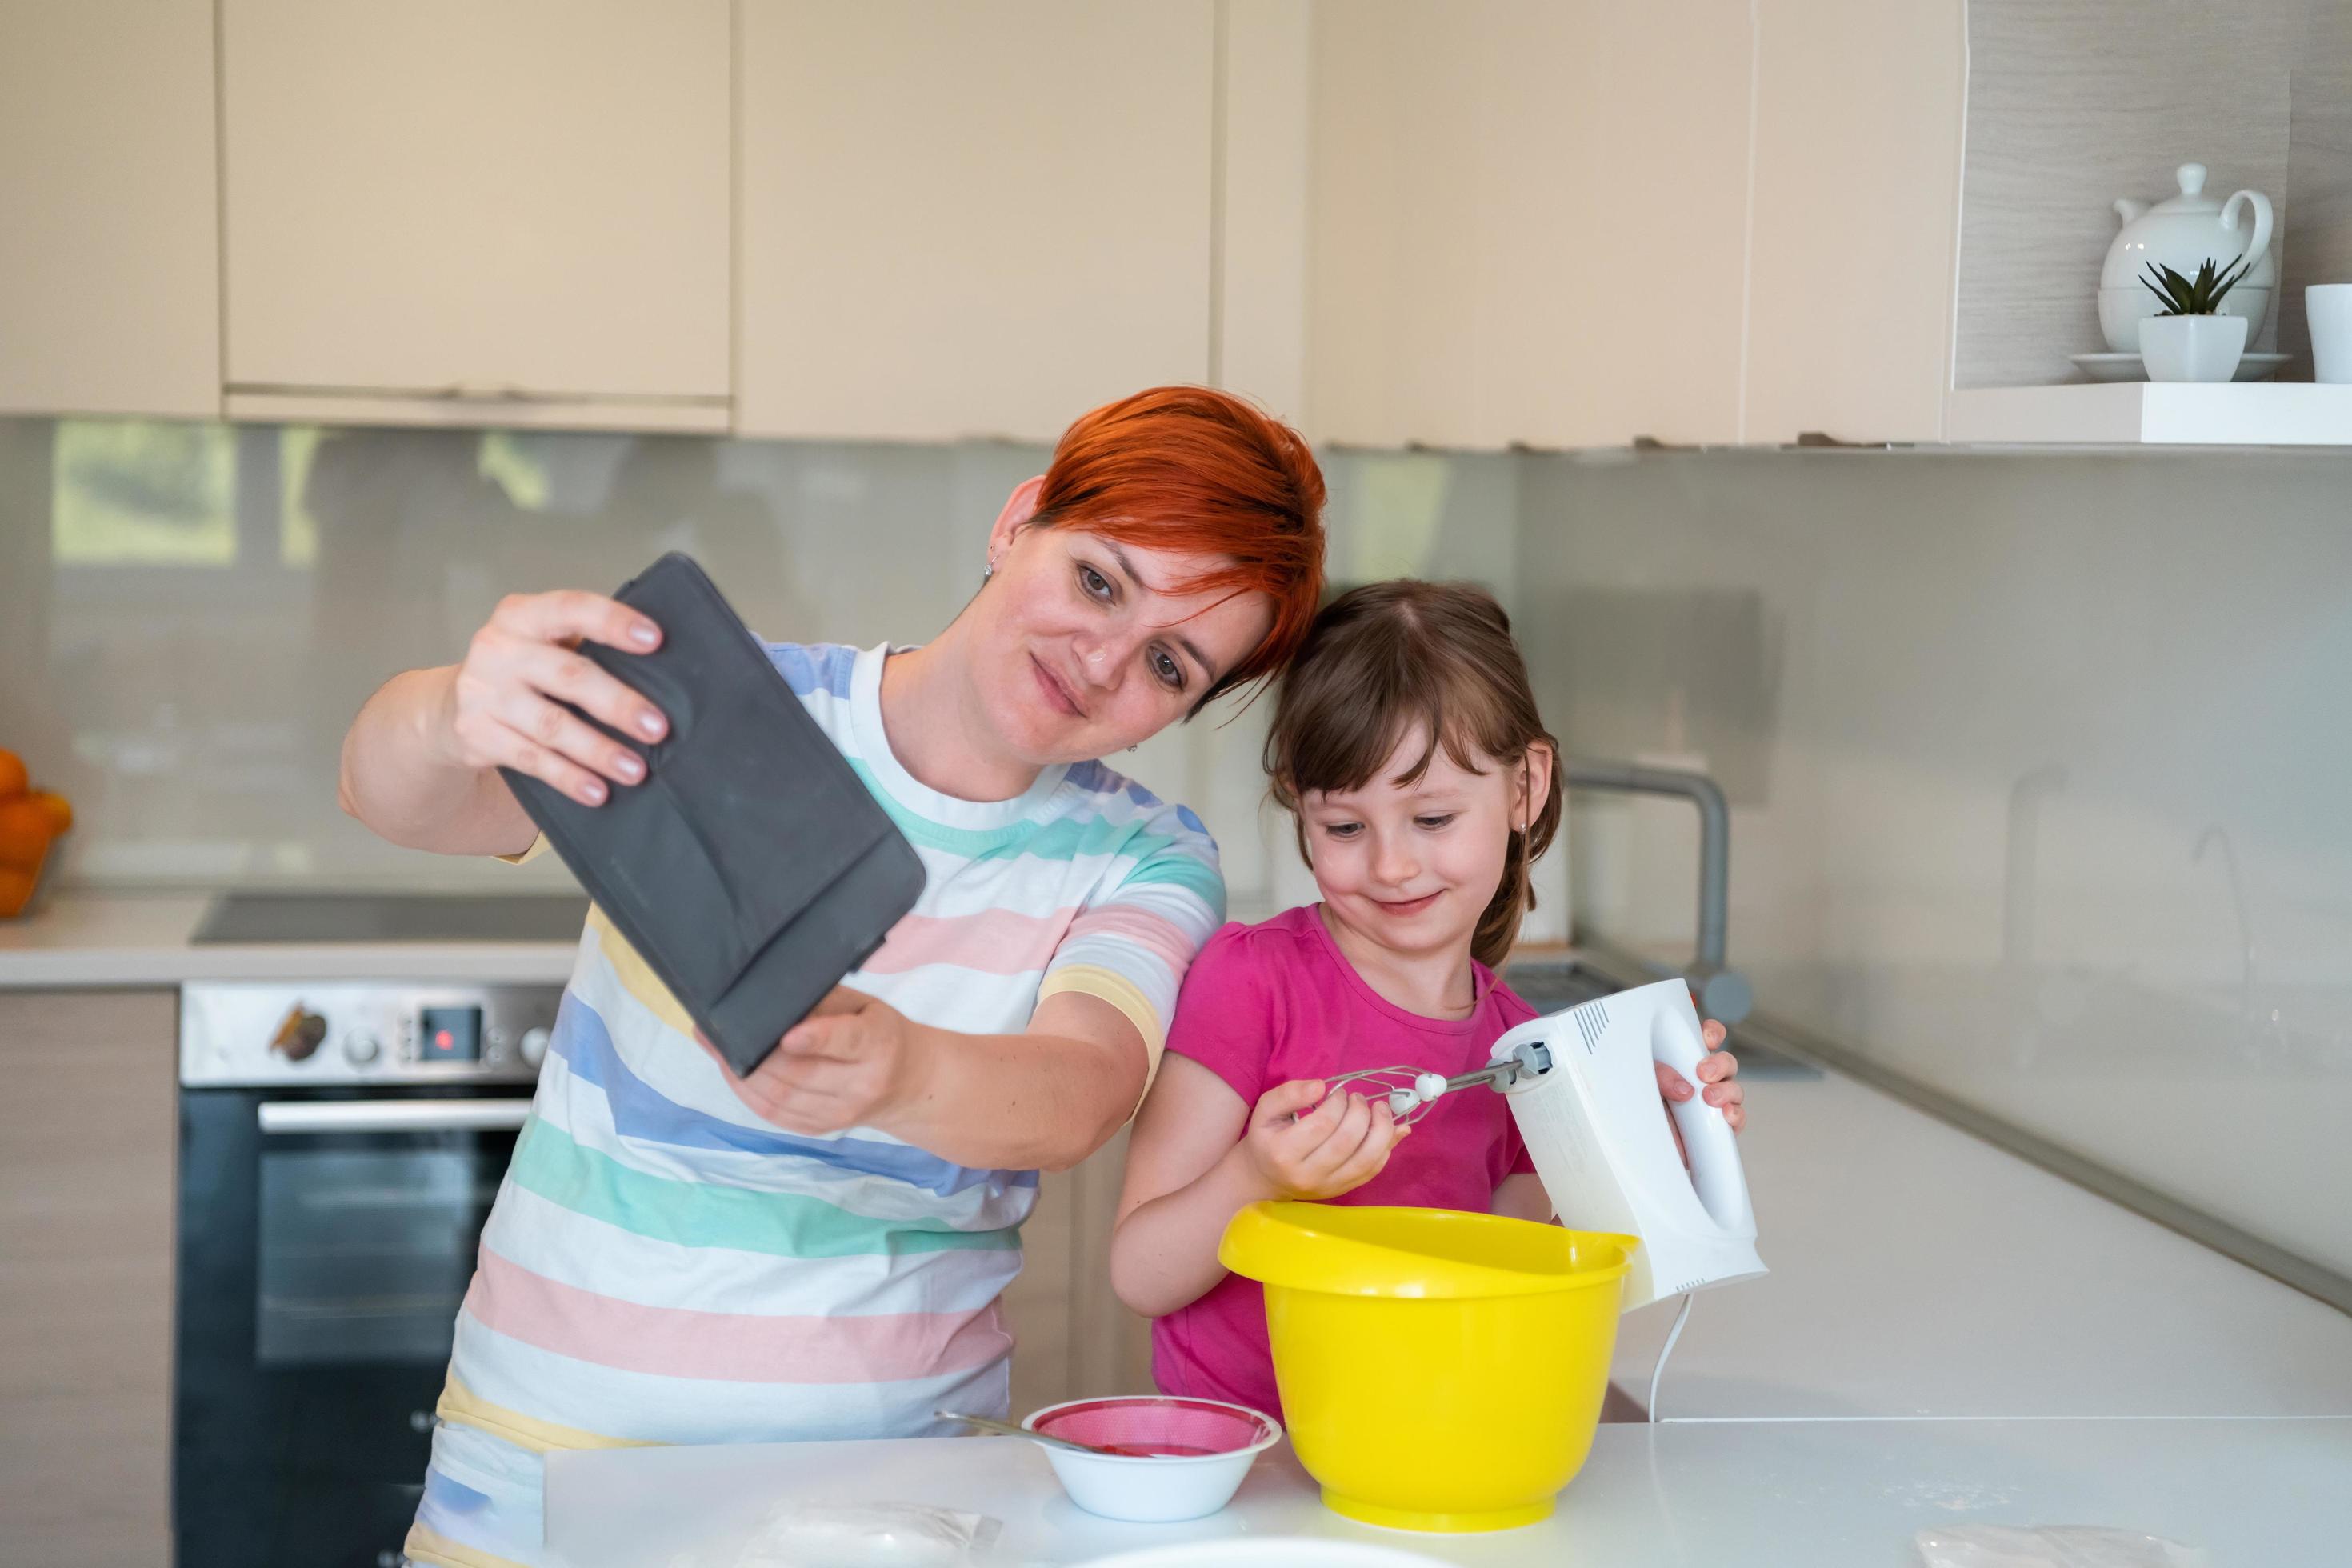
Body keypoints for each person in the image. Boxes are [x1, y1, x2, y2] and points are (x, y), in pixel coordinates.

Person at [336, 387, 1326, 1568]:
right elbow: (394, 799)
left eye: (1169, 662)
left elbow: (1080, 1090)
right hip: (541, 1475)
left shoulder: (1144, 857)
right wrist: (456, 710)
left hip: (886, 1503)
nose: (1102, 659)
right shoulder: (728, 710)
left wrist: (902, 1071)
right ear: (1020, 522)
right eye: (1099, 579)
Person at [1110, 580, 1745, 1418]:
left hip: (1421, 1446)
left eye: (1434, 818)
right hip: (1245, 1463)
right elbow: (1141, 1274)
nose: (1392, 866)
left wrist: (1646, 1157)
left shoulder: (1527, 1058)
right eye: (1345, 828)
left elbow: (1506, 1291)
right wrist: (1254, 1176)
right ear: (1301, 811)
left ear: (1526, 788)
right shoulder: (1250, 983)